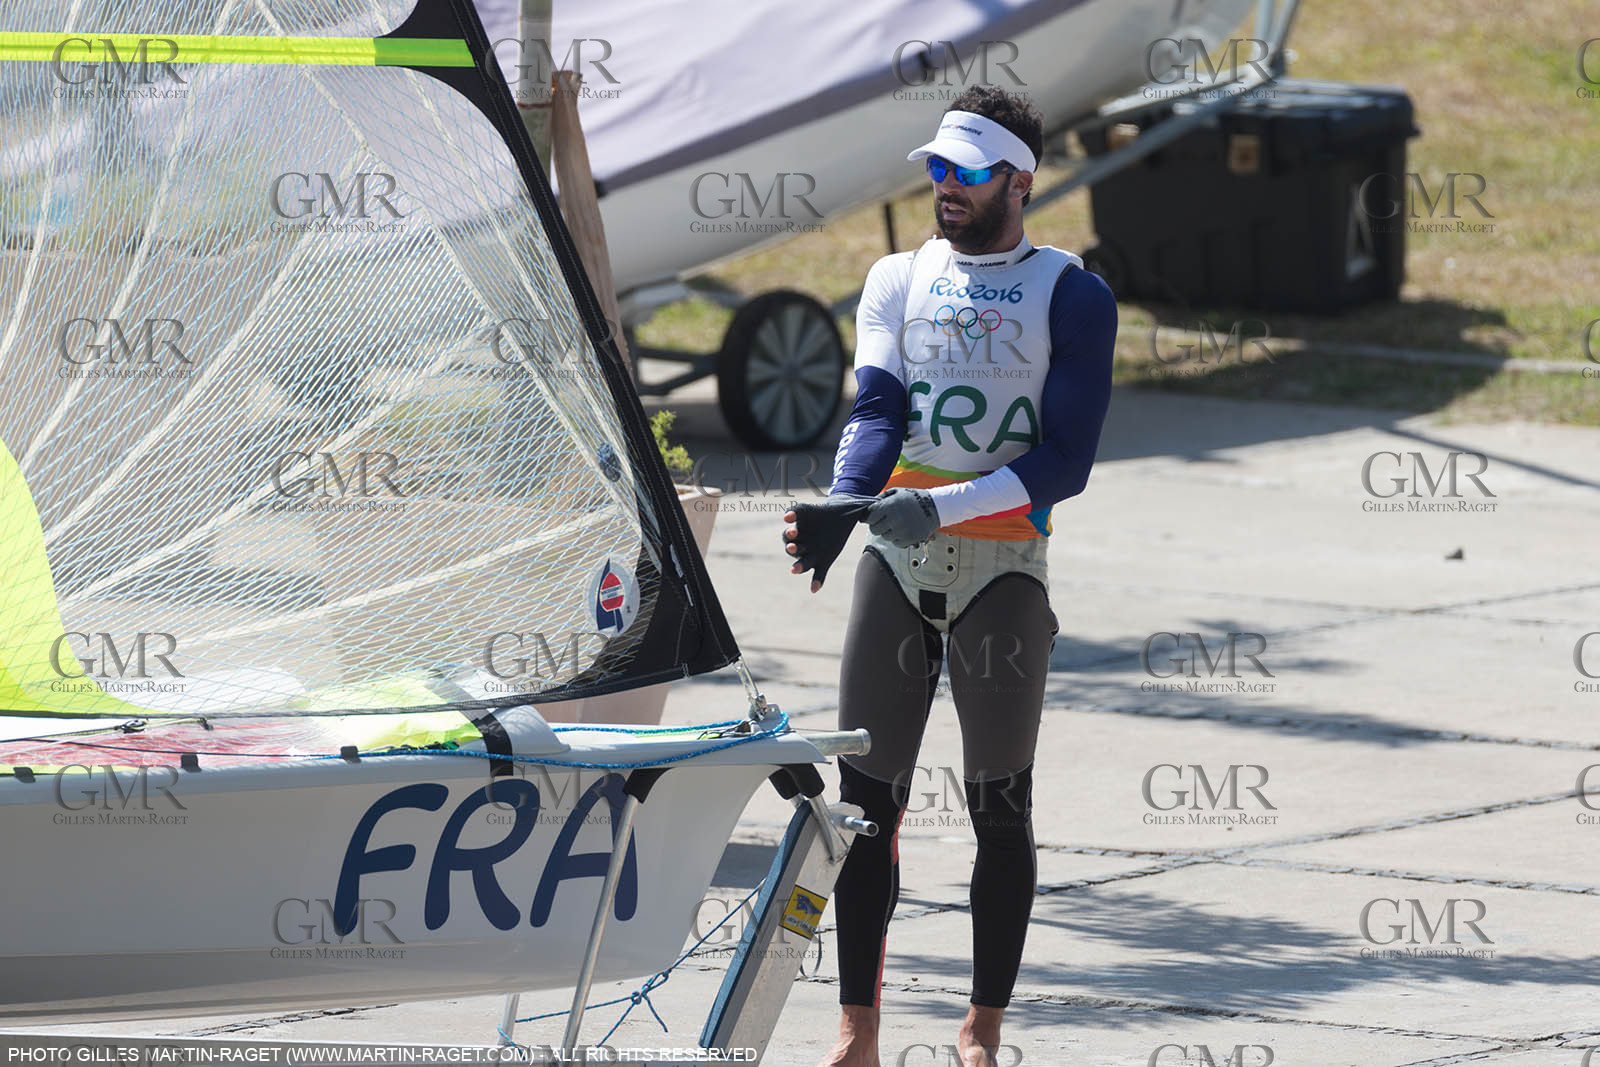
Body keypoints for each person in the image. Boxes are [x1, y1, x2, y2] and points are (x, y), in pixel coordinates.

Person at [782, 86, 1117, 1067]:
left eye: (968, 173)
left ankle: (980, 1027)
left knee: (997, 805)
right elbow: (879, 411)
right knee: (863, 804)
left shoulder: (1073, 293)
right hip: (896, 556)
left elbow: (1066, 461)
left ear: (1019, 179)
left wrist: (941, 504)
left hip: (1004, 564)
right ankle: (858, 1033)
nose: (946, 188)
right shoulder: (895, 275)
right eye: (938, 168)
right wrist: (846, 502)